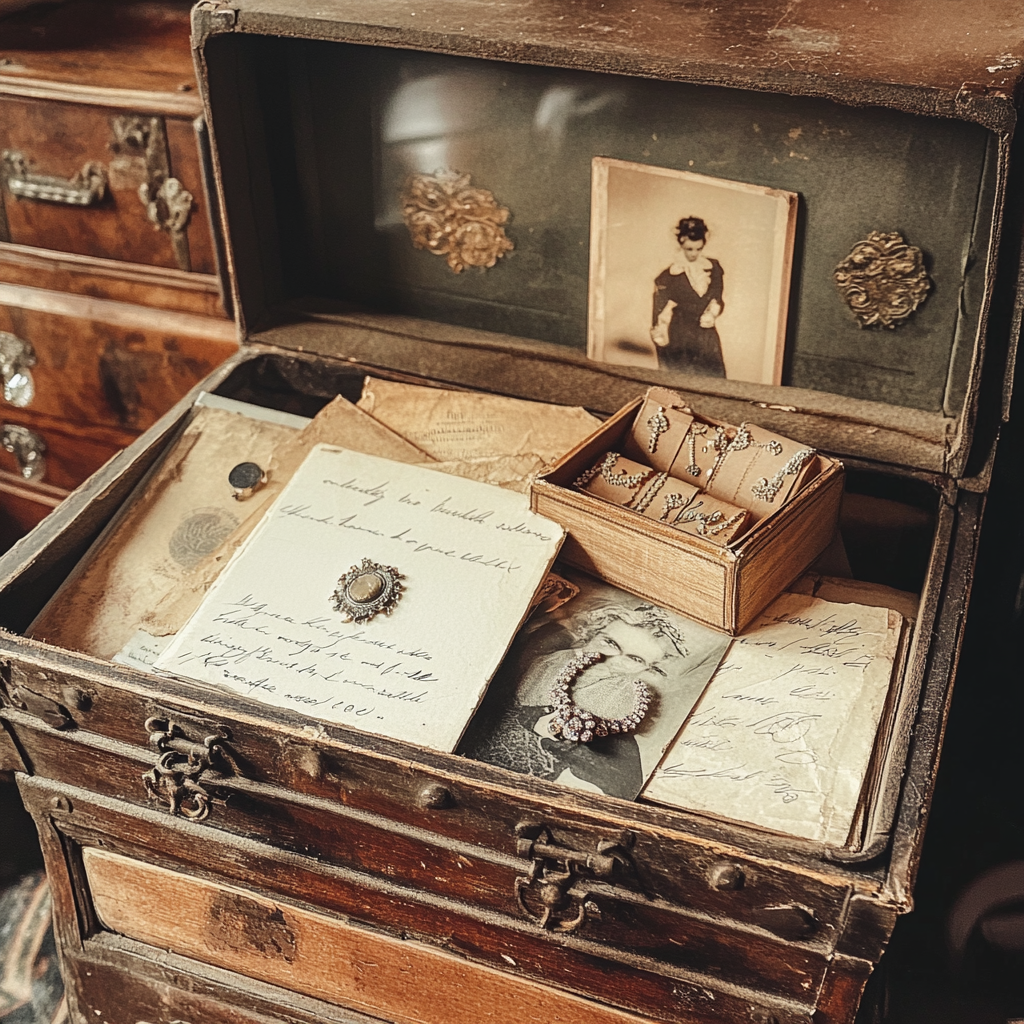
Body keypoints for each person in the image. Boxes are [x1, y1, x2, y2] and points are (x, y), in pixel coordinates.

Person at [650, 216, 726, 377]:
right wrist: (660, 335)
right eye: (689, 249)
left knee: (714, 378)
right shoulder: (668, 277)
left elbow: (717, 296)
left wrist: (713, 312)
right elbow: (658, 312)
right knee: (685, 380)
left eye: (698, 249)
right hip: (681, 335)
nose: (694, 254)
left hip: (706, 334)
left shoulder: (714, 268)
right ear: (681, 244)